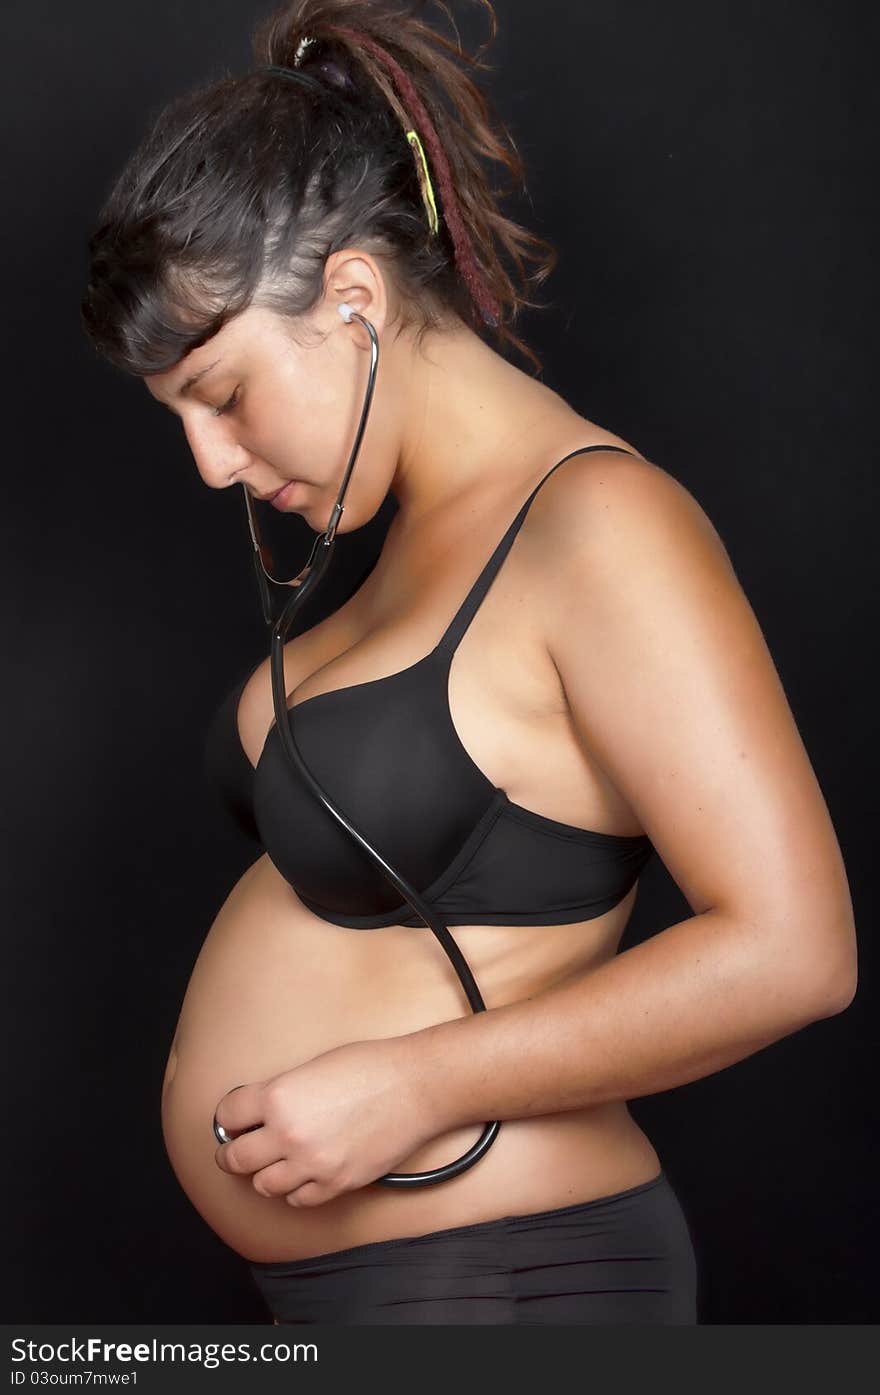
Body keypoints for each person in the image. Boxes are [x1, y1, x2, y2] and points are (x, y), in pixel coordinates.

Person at [80, 0, 856, 1326]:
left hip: (514, 1286)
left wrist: (418, 1084)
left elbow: (795, 951)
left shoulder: (600, 529)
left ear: (355, 299)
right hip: (378, 1290)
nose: (211, 464)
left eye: (219, 393)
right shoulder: (414, 533)